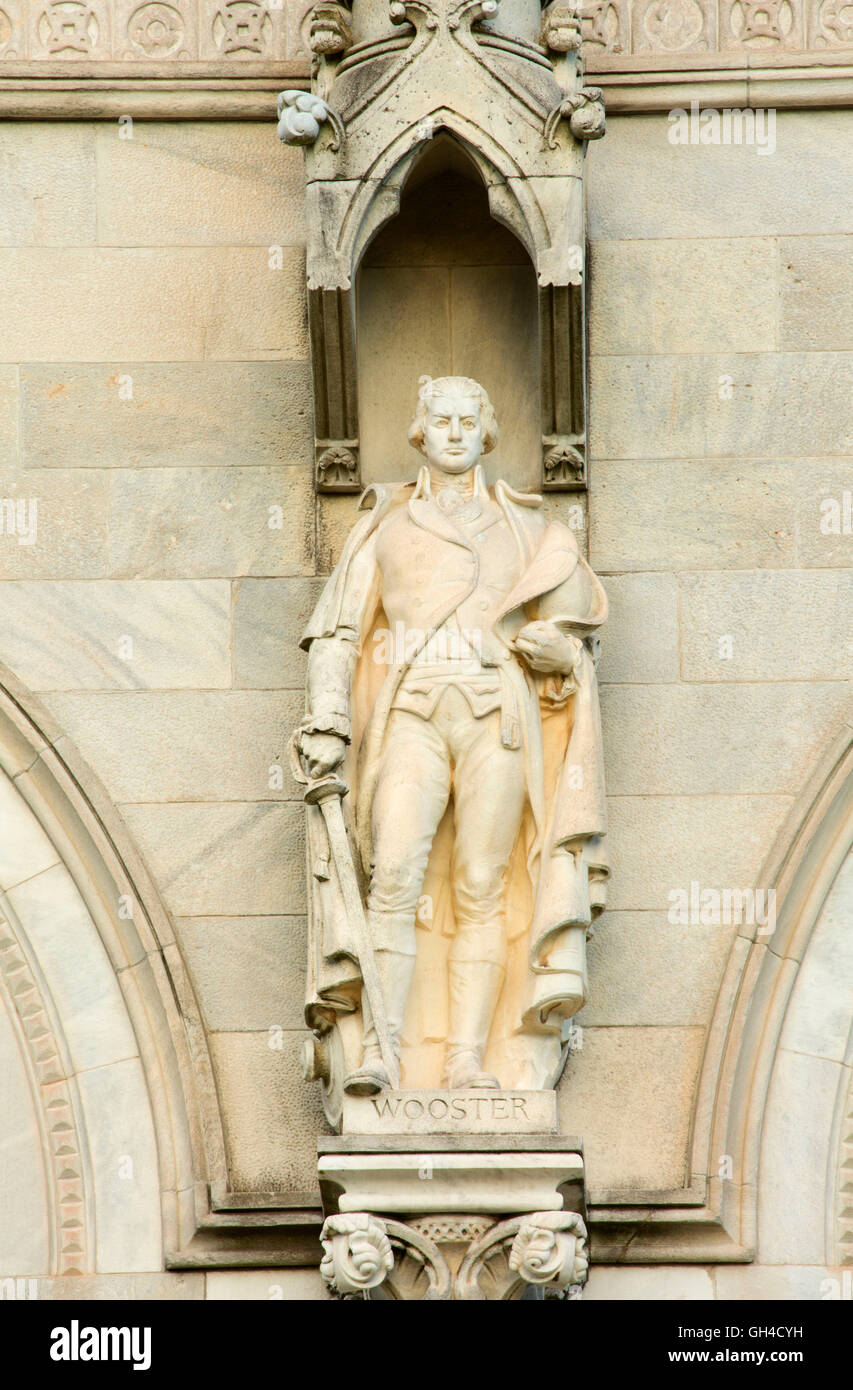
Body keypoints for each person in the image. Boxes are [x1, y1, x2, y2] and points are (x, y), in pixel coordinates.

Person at [297, 375, 608, 1097]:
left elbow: (572, 638)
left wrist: (562, 660)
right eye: (441, 420)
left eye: (470, 420)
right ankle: (381, 1051)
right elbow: (339, 633)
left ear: (487, 430)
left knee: (480, 885)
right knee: (396, 874)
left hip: (495, 710)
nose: (456, 433)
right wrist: (329, 717)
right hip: (413, 710)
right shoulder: (388, 525)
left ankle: (467, 1057)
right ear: (421, 430)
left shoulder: (527, 530)